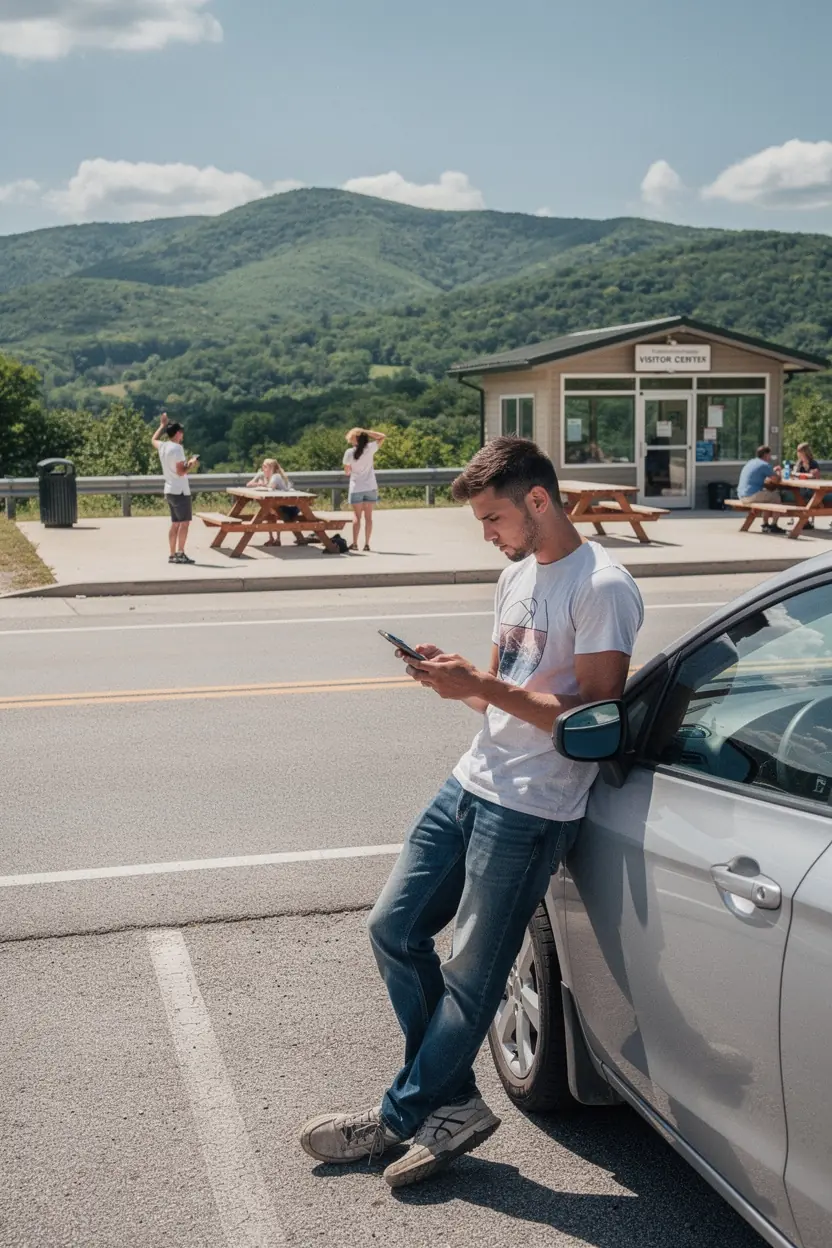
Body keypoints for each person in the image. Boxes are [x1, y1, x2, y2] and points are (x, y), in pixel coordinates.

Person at [300, 435, 644, 1188]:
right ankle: (453, 1100)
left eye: (493, 518)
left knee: (471, 974)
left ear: (538, 500)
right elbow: (507, 686)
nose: (487, 534)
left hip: (533, 806)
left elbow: (595, 718)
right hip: (473, 779)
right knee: (393, 929)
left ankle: (398, 1117)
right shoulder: (516, 574)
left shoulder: (602, 586)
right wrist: (457, 678)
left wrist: (480, 687)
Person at [151, 413, 199, 564]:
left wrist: (161, 425)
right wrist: (191, 463)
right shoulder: (177, 449)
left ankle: (172, 554)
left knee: (175, 524)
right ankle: (180, 552)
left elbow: (153, 439)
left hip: (169, 489)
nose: (182, 435)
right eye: (181, 432)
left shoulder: (163, 446)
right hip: (180, 491)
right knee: (184, 523)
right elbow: (181, 472)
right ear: (178, 433)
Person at [343, 427, 386, 551]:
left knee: (357, 517)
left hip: (356, 487)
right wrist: (366, 431)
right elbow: (382, 436)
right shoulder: (371, 448)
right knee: (368, 517)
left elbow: (347, 472)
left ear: (353, 439)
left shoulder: (349, 453)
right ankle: (367, 544)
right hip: (370, 487)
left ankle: (355, 543)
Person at [247, 457, 305, 546]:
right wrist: (258, 484)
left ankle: (278, 539)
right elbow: (249, 484)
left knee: (277, 512)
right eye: (263, 466)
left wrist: (262, 484)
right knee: (268, 511)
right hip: (275, 503)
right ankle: (271, 538)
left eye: (266, 466)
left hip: (289, 505)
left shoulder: (276, 476)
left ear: (272, 468)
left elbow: (271, 487)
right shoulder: (261, 474)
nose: (263, 468)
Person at [737, 445, 782, 533]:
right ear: (765, 455)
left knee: (767, 496)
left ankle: (765, 524)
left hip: (741, 495)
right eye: (769, 455)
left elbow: (759, 473)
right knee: (776, 497)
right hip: (751, 496)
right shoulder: (764, 465)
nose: (770, 457)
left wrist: (772, 471)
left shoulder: (751, 462)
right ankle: (774, 525)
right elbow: (777, 479)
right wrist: (778, 472)